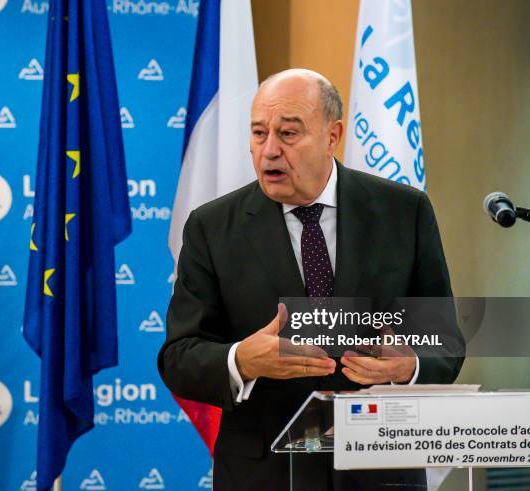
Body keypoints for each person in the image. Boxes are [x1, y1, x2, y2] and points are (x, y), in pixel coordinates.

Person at [158, 69, 465, 490]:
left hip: (380, 471)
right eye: (259, 133)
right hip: (264, 474)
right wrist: (240, 360)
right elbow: (179, 355)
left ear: (332, 135)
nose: (269, 151)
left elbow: (445, 342)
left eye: (287, 134)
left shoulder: (403, 213)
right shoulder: (212, 228)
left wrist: (409, 364)